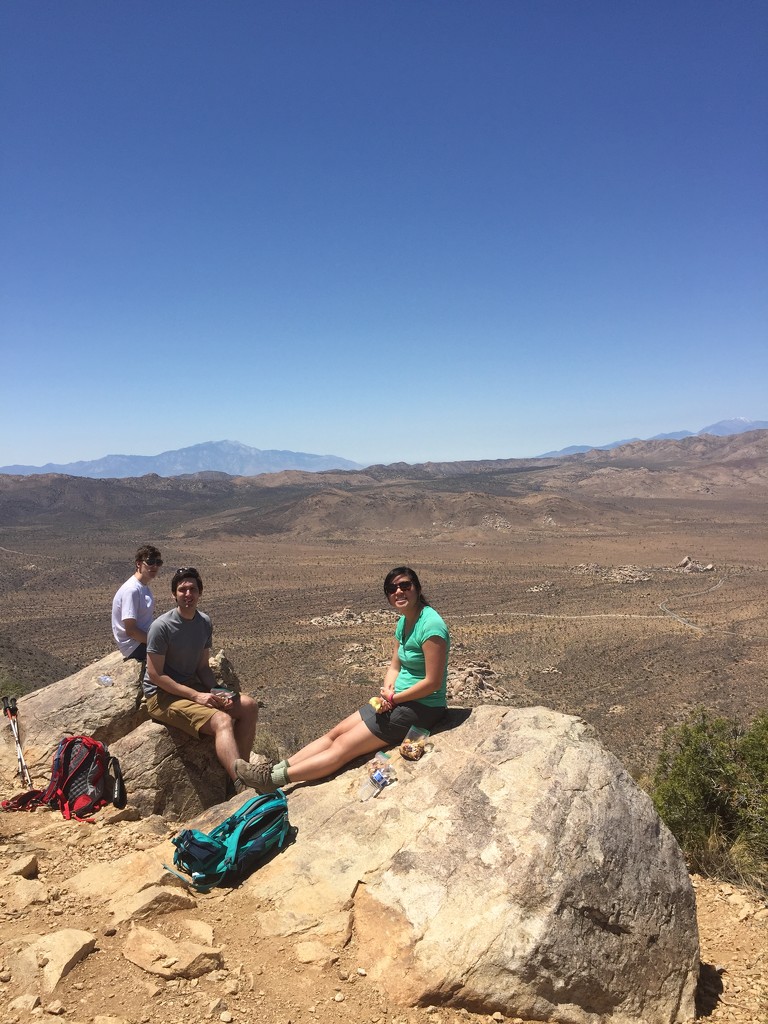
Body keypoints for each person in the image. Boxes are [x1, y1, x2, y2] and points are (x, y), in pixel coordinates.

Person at [235, 566, 449, 794]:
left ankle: (274, 779)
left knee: (343, 746)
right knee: (335, 733)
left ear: (417, 588)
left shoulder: (431, 625)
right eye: (392, 588)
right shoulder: (404, 621)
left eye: (405, 585)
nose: (399, 592)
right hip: (396, 700)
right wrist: (388, 690)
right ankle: (272, 769)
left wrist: (395, 698)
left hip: (422, 708)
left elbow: (432, 683)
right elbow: (395, 665)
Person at [144, 566, 259, 789]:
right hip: (162, 695)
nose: (188, 595)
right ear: (173, 595)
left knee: (249, 706)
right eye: (182, 590)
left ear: (200, 593)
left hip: (192, 686)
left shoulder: (203, 622)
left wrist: (216, 689)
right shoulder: (161, 627)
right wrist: (196, 696)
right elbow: (155, 675)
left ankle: (241, 770)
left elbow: (202, 666)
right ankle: (242, 786)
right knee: (221, 720)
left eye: (192, 589)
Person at [111, 544, 163, 662]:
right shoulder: (132, 590)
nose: (154, 566)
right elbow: (131, 631)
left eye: (158, 562)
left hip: (142, 641)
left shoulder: (143, 587)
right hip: (134, 646)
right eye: (150, 562)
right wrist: (157, 641)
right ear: (138, 564)